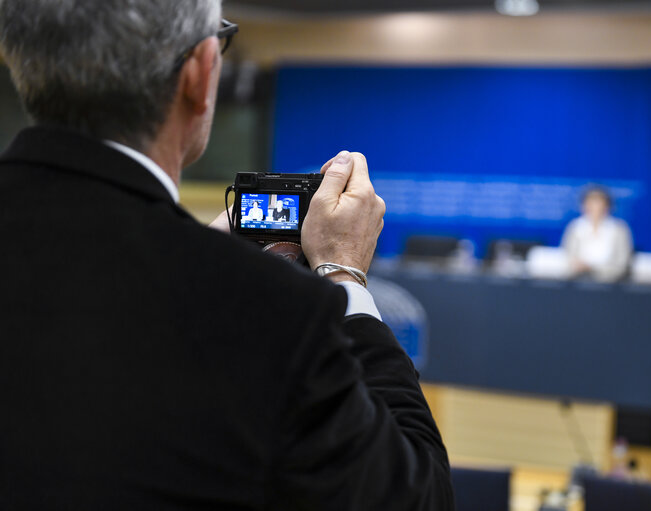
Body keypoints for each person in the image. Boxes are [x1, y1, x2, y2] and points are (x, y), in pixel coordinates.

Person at [0, 1, 454, 510]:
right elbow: (416, 499)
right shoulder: (271, 316)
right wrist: (344, 275)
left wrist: (202, 254)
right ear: (200, 72)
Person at [561, 186, 634, 282]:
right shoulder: (575, 227)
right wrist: (578, 266)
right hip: (578, 281)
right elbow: (567, 256)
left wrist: (593, 268)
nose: (594, 207)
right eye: (590, 202)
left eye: (598, 202)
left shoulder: (619, 229)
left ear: (607, 206)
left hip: (611, 284)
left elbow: (622, 264)